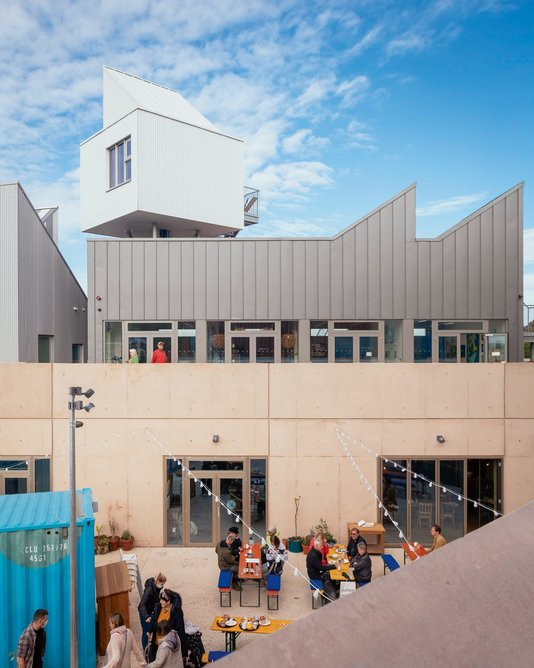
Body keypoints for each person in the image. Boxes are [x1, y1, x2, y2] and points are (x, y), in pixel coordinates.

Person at [147, 589, 188, 665]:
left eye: (162, 600)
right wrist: (149, 630)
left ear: (168, 602)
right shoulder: (159, 606)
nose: (160, 602)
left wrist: (184, 652)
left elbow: (181, 630)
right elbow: (154, 618)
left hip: (167, 646)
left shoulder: (176, 612)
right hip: (156, 643)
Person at [139, 573, 167, 649]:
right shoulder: (149, 589)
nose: (162, 586)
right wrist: (146, 616)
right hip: (145, 613)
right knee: (146, 631)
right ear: (157, 581)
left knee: (149, 630)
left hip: (150, 611)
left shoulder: (155, 587)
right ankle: (145, 650)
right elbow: (141, 605)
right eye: (161, 584)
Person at [306, 537, 337, 603]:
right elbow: (321, 568)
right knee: (330, 577)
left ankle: (331, 591)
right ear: (316, 546)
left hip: (315, 571)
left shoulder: (314, 551)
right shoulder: (313, 556)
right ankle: (330, 596)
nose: (322, 547)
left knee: (330, 573)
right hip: (315, 575)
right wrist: (334, 566)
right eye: (321, 545)